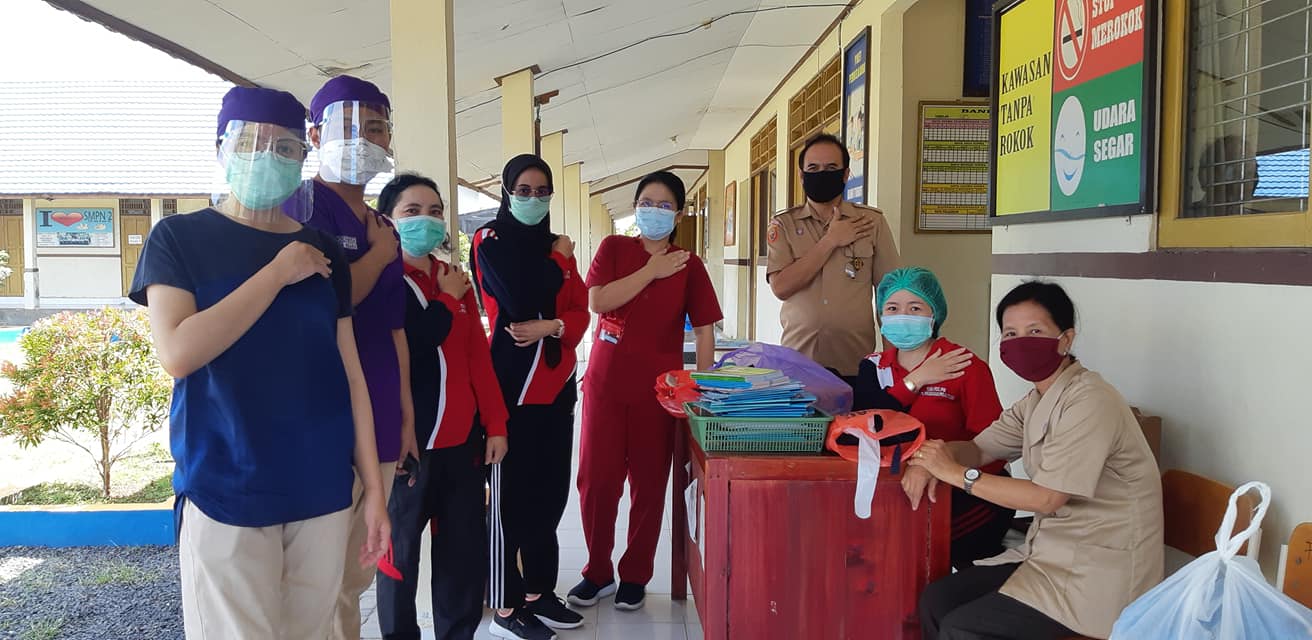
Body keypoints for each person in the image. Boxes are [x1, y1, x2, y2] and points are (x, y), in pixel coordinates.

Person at [129, 86, 390, 638]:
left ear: (303, 157)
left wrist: (374, 492)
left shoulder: (322, 249)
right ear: (222, 148)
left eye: (286, 147)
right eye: (251, 142)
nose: (268, 156)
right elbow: (179, 353)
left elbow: (351, 378)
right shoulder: (179, 238)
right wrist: (276, 274)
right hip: (226, 485)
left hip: (322, 487)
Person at [912, 281, 1164, 640]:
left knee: (963, 627)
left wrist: (955, 474)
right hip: (1051, 556)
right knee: (937, 600)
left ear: (1066, 339)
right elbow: (980, 449)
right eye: (1010, 334)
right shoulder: (1036, 401)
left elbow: (1047, 497)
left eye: (1034, 331)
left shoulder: (1091, 401)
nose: (1020, 342)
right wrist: (928, 458)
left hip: (1099, 572)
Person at [282, 75, 416, 640]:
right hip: (323, 414)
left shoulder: (383, 226)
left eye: (376, 127)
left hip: (380, 411)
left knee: (358, 568)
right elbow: (324, 304)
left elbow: (394, 329)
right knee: (318, 571)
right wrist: (378, 256)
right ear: (315, 135)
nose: (364, 138)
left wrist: (407, 417)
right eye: (348, 125)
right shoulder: (298, 206)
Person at [569, 171, 723, 611]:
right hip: (605, 386)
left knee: (650, 484)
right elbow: (598, 301)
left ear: (679, 214)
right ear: (635, 208)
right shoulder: (614, 248)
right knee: (596, 481)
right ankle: (597, 572)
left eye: (664, 205)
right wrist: (651, 270)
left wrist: (701, 390)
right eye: (646, 203)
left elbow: (706, 330)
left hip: (659, 392)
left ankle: (635, 575)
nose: (653, 211)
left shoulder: (689, 264)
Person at [373, 174, 510, 640]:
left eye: (435, 212)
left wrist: (495, 424)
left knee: (461, 556)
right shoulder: (383, 279)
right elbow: (412, 342)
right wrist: (448, 301)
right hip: (406, 448)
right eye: (412, 212)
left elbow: (478, 360)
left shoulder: (454, 279)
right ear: (387, 220)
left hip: (461, 444)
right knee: (399, 557)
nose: (426, 221)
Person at [471, 154, 591, 640]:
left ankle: (540, 592)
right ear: (507, 192)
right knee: (509, 504)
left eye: (542, 191)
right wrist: (559, 263)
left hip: (556, 390)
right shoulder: (490, 240)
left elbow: (580, 310)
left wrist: (554, 325)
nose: (534, 199)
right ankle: (505, 605)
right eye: (524, 190)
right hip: (510, 391)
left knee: (549, 497)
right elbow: (519, 299)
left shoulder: (553, 244)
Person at [848, 267, 1013, 570]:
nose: (903, 316)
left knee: (917, 544)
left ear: (934, 314)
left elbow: (995, 448)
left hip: (961, 493)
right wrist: (917, 379)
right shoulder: (873, 367)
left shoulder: (964, 365)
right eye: (892, 308)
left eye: (915, 308)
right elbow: (869, 423)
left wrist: (943, 469)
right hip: (892, 492)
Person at [767, 133, 899, 377]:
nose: (822, 174)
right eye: (813, 168)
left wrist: (894, 363)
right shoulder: (783, 224)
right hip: (799, 362)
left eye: (831, 168)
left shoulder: (871, 222)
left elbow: (890, 295)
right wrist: (830, 241)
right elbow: (781, 287)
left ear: (845, 174)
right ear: (801, 176)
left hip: (855, 363)